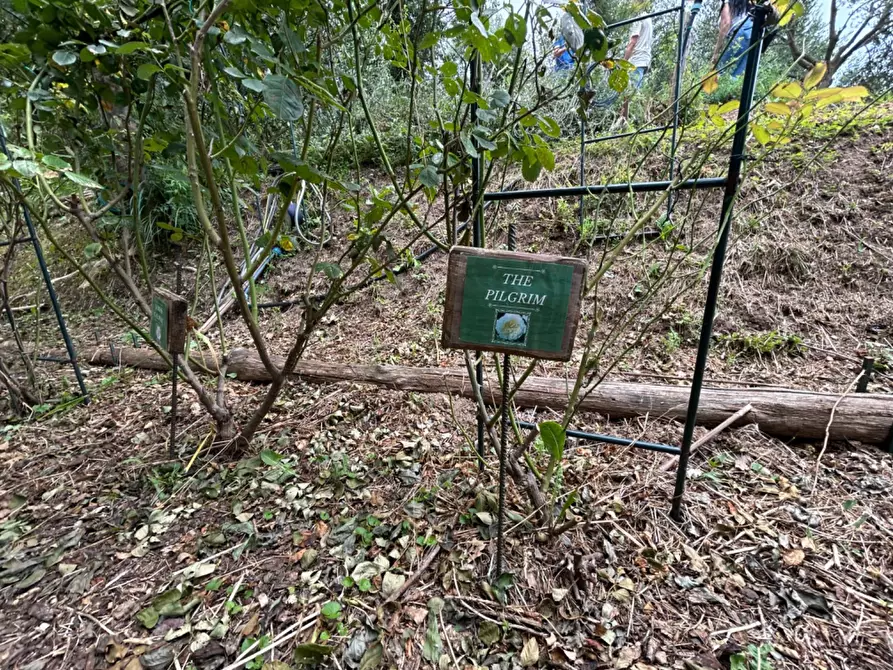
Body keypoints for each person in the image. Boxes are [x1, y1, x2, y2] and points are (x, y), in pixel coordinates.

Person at [593, 16, 654, 128]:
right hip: (644, 61)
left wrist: (623, 63)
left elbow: (632, 43)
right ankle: (624, 120)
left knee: (629, 92)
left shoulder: (639, 18)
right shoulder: (648, 18)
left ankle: (627, 121)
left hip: (636, 61)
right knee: (632, 92)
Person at [713, 0, 752, 77]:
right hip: (752, 35)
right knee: (735, 76)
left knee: (718, 73)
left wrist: (716, 52)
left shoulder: (727, 2)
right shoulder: (748, 4)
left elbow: (725, 23)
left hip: (740, 33)